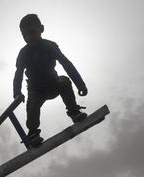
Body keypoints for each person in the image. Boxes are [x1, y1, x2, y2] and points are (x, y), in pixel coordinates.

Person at [13, 14, 88, 146]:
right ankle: (33, 132)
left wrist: (80, 84)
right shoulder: (23, 53)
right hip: (36, 90)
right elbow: (18, 73)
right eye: (25, 35)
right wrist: (17, 93)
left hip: (53, 84)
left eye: (32, 32)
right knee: (33, 104)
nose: (29, 37)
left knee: (64, 81)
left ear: (41, 29)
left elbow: (66, 63)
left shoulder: (50, 46)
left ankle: (74, 112)